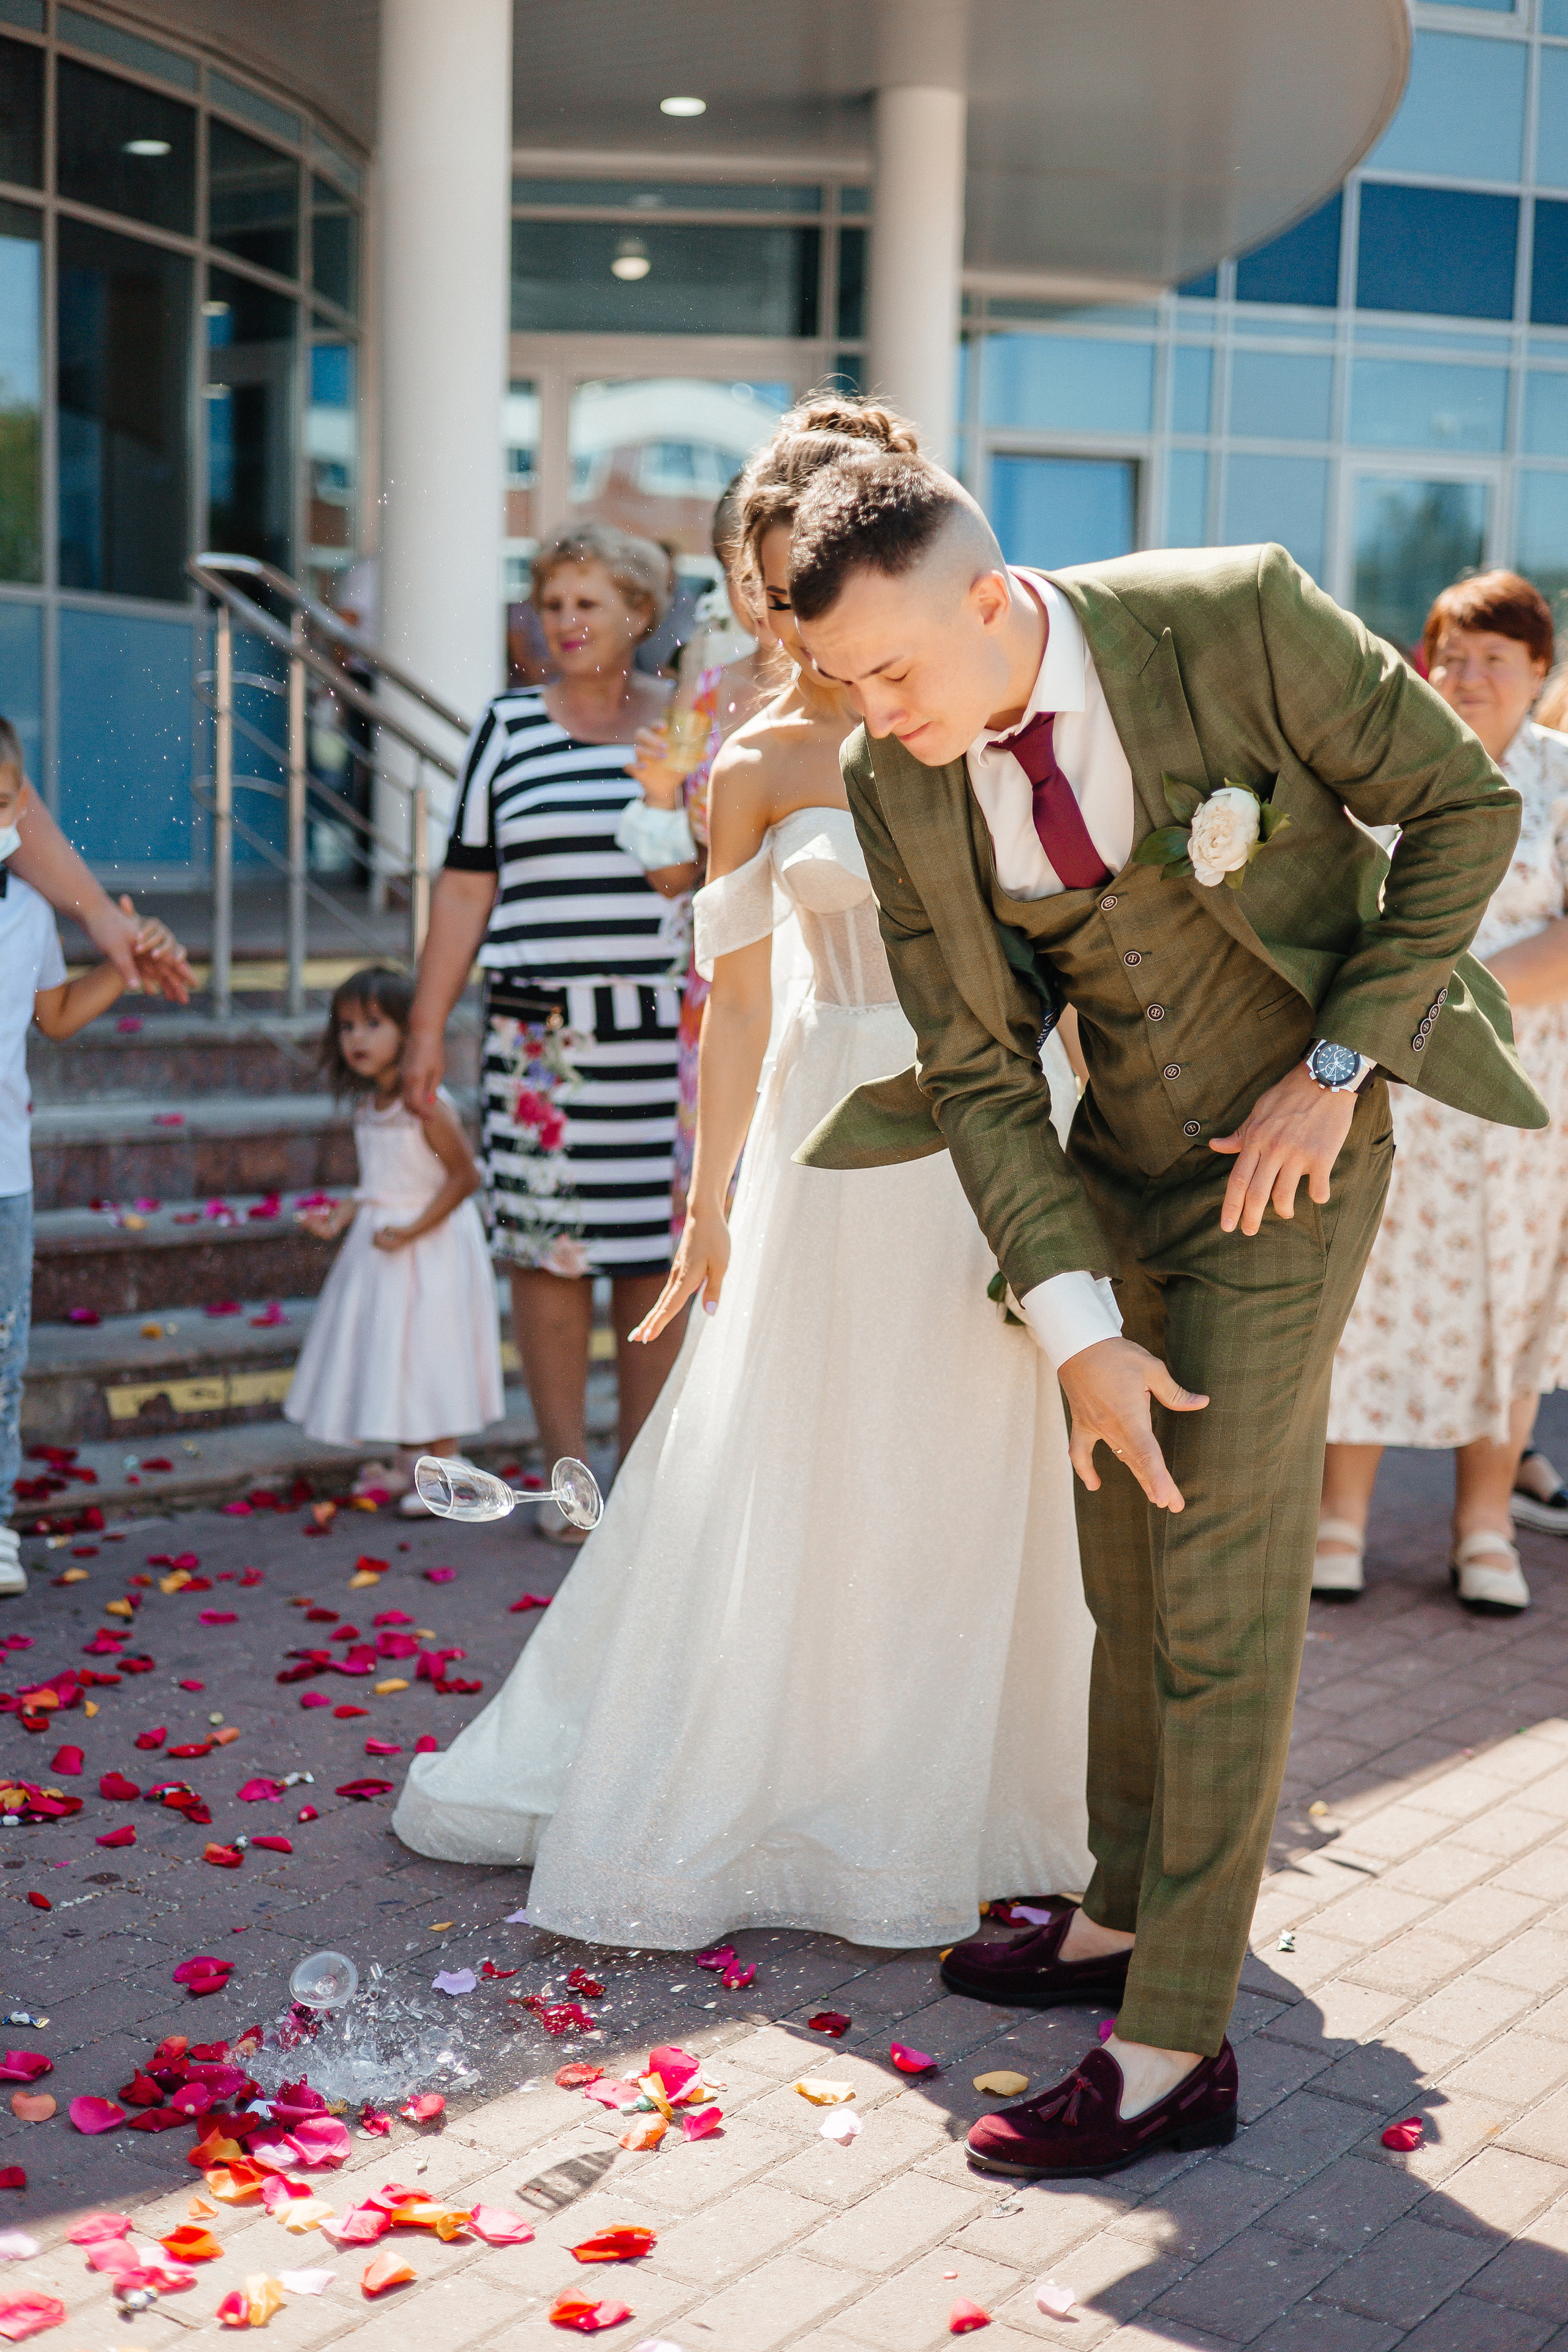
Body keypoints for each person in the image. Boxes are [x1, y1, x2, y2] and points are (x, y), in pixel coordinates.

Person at [785, 454, 1539, 2180]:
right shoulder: (891, 775)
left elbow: (1462, 810)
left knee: (1215, 1582)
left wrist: (1337, 1068)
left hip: (1288, 1164)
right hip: (1108, 1168)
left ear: (988, 600)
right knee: (1121, 1550)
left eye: (890, 668)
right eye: (842, 681)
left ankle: (1174, 2042)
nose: (873, 715)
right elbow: (977, 1069)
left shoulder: (1234, 617)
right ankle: (1120, 1912)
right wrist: (1075, 1327)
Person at [391, 398, 1097, 1951]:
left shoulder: (982, 720)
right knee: (816, 1450)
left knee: (970, 1448)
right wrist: (706, 1203)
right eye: (767, 585)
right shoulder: (756, 762)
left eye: (805, 578)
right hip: (825, 1132)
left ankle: (964, 1783)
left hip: (996, 1121)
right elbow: (741, 1006)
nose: (787, 610)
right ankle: (792, 1776)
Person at [400, 522, 687, 1543]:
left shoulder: (687, 723)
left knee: (655, 1258)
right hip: (538, 1048)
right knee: (547, 1255)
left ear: (640, 613)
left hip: (664, 1040)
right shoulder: (508, 727)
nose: (564, 622)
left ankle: (639, 1490)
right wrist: (426, 1026)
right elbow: (464, 885)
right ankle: (571, 1486)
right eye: (552, 603)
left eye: (587, 603)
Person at [1319, 572, 1568, 1610]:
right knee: (1370, 1286)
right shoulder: (1397, 763)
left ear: (1538, 671)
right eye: (1452, 655)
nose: (1467, 677)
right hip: (1393, 1079)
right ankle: (1340, 1521)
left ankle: (1483, 1529)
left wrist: (1450, 1001)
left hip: (1519, 1086)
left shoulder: (1563, 776)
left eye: (1494, 659)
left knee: (1509, 1301)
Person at [0, 725, 184, 1594]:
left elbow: (57, 1015)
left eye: (5, 800)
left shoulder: (29, 914)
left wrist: (127, 960)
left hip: (5, 1181)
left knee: (3, 1363)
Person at [617, 475, 775, 1237]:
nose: (759, 598)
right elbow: (673, 874)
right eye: (737, 576)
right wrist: (657, 796)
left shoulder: (867, 695)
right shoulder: (703, 694)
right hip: (719, 975)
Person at [285, 968, 502, 1503]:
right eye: (347, 1027)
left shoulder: (424, 1105)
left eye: (373, 1024)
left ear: (410, 1032)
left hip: (432, 1246)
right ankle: (413, 1466)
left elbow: (465, 1178)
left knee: (432, 1352)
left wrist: (412, 1230)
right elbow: (377, 1184)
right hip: (386, 1246)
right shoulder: (370, 1107)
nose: (356, 1038)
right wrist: (339, 1217)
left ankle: (447, 1468)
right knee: (399, 1354)